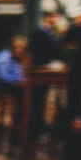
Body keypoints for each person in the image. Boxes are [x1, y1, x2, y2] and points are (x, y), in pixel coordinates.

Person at [28, 11, 63, 142]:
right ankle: (35, 130)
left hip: (43, 69)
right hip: (40, 70)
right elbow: (54, 50)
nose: (56, 20)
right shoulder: (42, 33)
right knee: (36, 101)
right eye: (54, 17)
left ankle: (38, 128)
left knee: (41, 100)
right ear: (48, 18)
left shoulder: (48, 33)